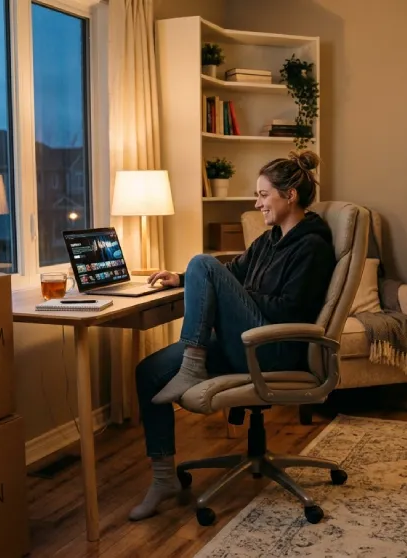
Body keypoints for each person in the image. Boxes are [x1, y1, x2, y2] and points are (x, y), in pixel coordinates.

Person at [128, 150, 336, 521]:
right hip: (238, 342)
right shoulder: (269, 240)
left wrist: (230, 298)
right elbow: (233, 271)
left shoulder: (313, 247)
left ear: (290, 195)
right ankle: (163, 480)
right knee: (150, 372)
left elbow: (289, 310)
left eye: (263, 195)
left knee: (202, 261)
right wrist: (181, 278)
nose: (257, 204)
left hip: (272, 350)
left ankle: (193, 363)